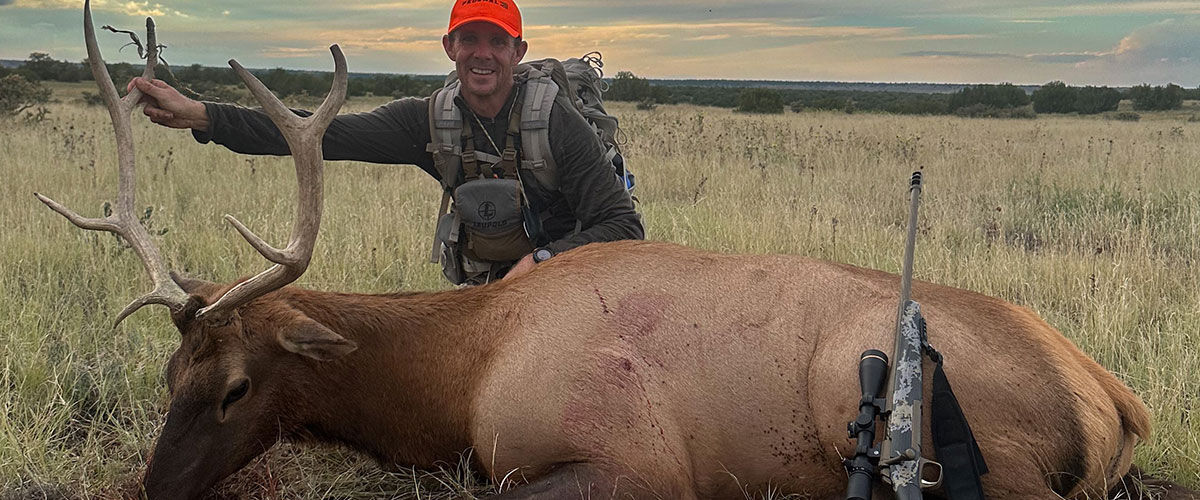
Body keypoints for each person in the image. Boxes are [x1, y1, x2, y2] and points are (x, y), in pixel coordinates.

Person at [128, 0, 643, 285]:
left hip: (567, 285)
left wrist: (540, 264)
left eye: (497, 41)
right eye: (469, 39)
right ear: (450, 46)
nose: (482, 54)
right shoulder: (430, 121)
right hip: (486, 293)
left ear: (518, 51)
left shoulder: (554, 120)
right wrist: (203, 116)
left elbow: (622, 225)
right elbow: (319, 133)